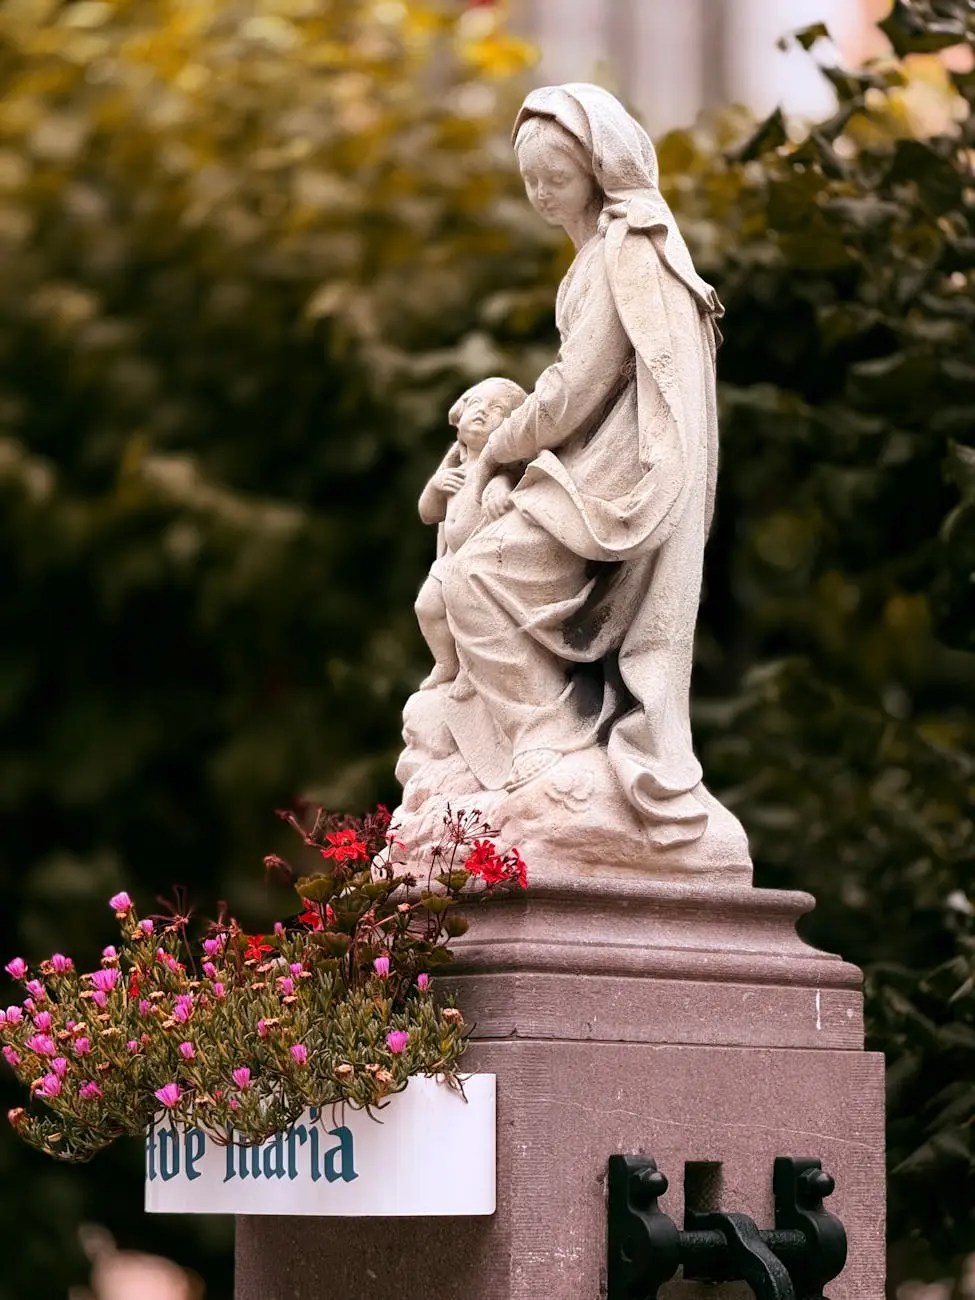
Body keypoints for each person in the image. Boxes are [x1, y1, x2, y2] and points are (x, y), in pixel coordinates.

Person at [438, 83, 726, 849]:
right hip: (593, 469)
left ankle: (548, 741)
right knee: (465, 573)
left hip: (620, 484)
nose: (539, 194)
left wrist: (501, 447)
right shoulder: (605, 253)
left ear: (596, 173)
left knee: (474, 579)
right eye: (529, 179)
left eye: (554, 178)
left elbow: (577, 386)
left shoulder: (623, 250)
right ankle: (537, 741)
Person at [414, 376, 527, 690]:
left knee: (471, 618)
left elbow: (509, 482)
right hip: (449, 561)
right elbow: (428, 513)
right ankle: (446, 664)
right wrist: (436, 486)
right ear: (459, 415)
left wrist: (498, 486)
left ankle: (470, 670)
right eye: (476, 405)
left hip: (477, 565)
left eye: (497, 410)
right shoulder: (454, 468)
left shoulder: (499, 468)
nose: (482, 413)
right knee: (427, 607)